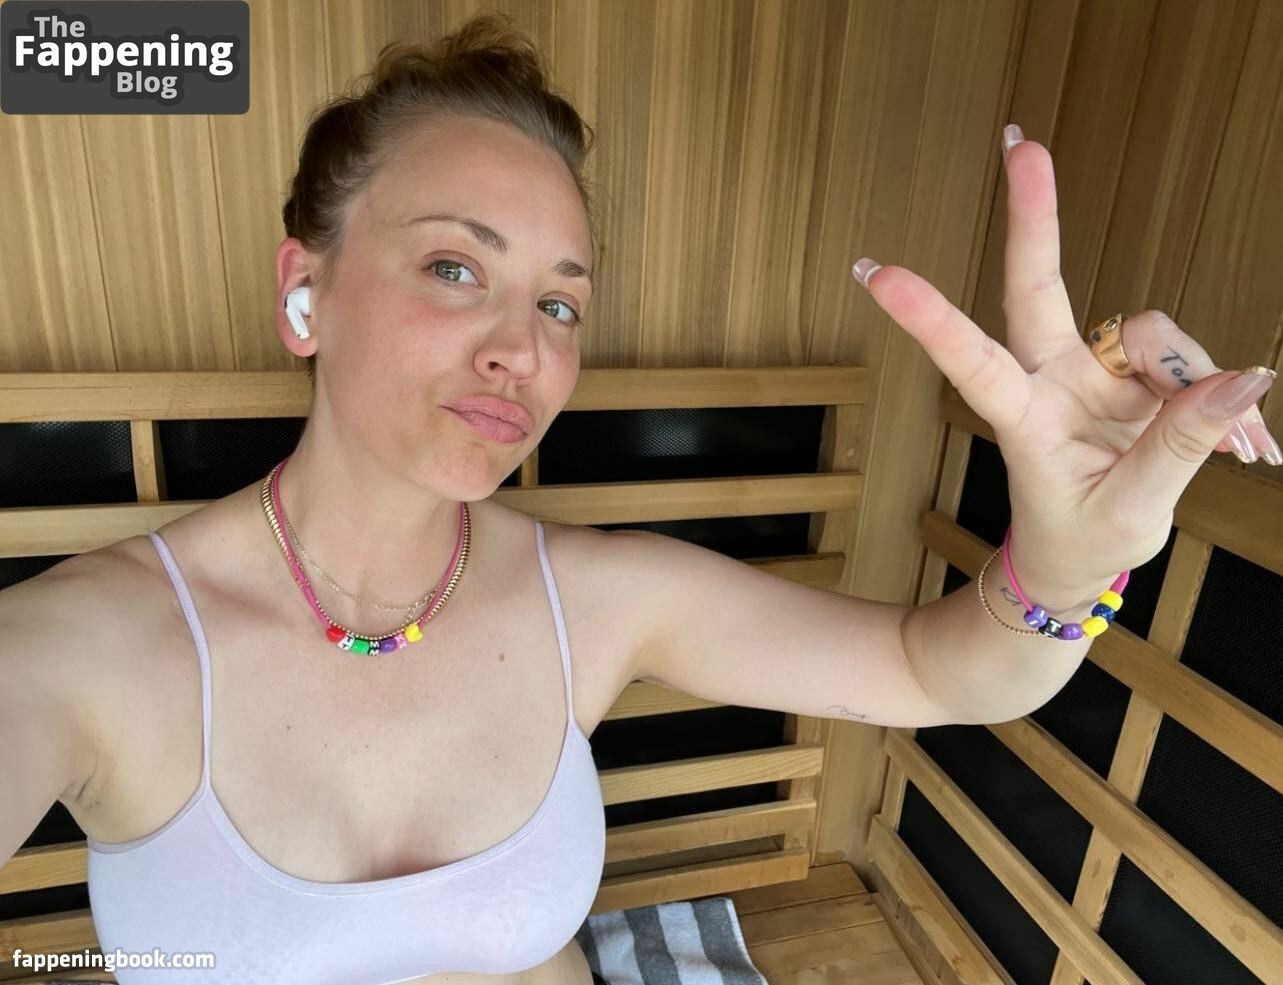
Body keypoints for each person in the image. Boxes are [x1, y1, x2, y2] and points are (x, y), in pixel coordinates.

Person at [3, 10, 1276, 985]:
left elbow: (937, 671)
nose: (522, 348)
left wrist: (1063, 567)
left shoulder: (597, 596)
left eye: (559, 302)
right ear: (305, 291)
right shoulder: (83, 648)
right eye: (453, 267)